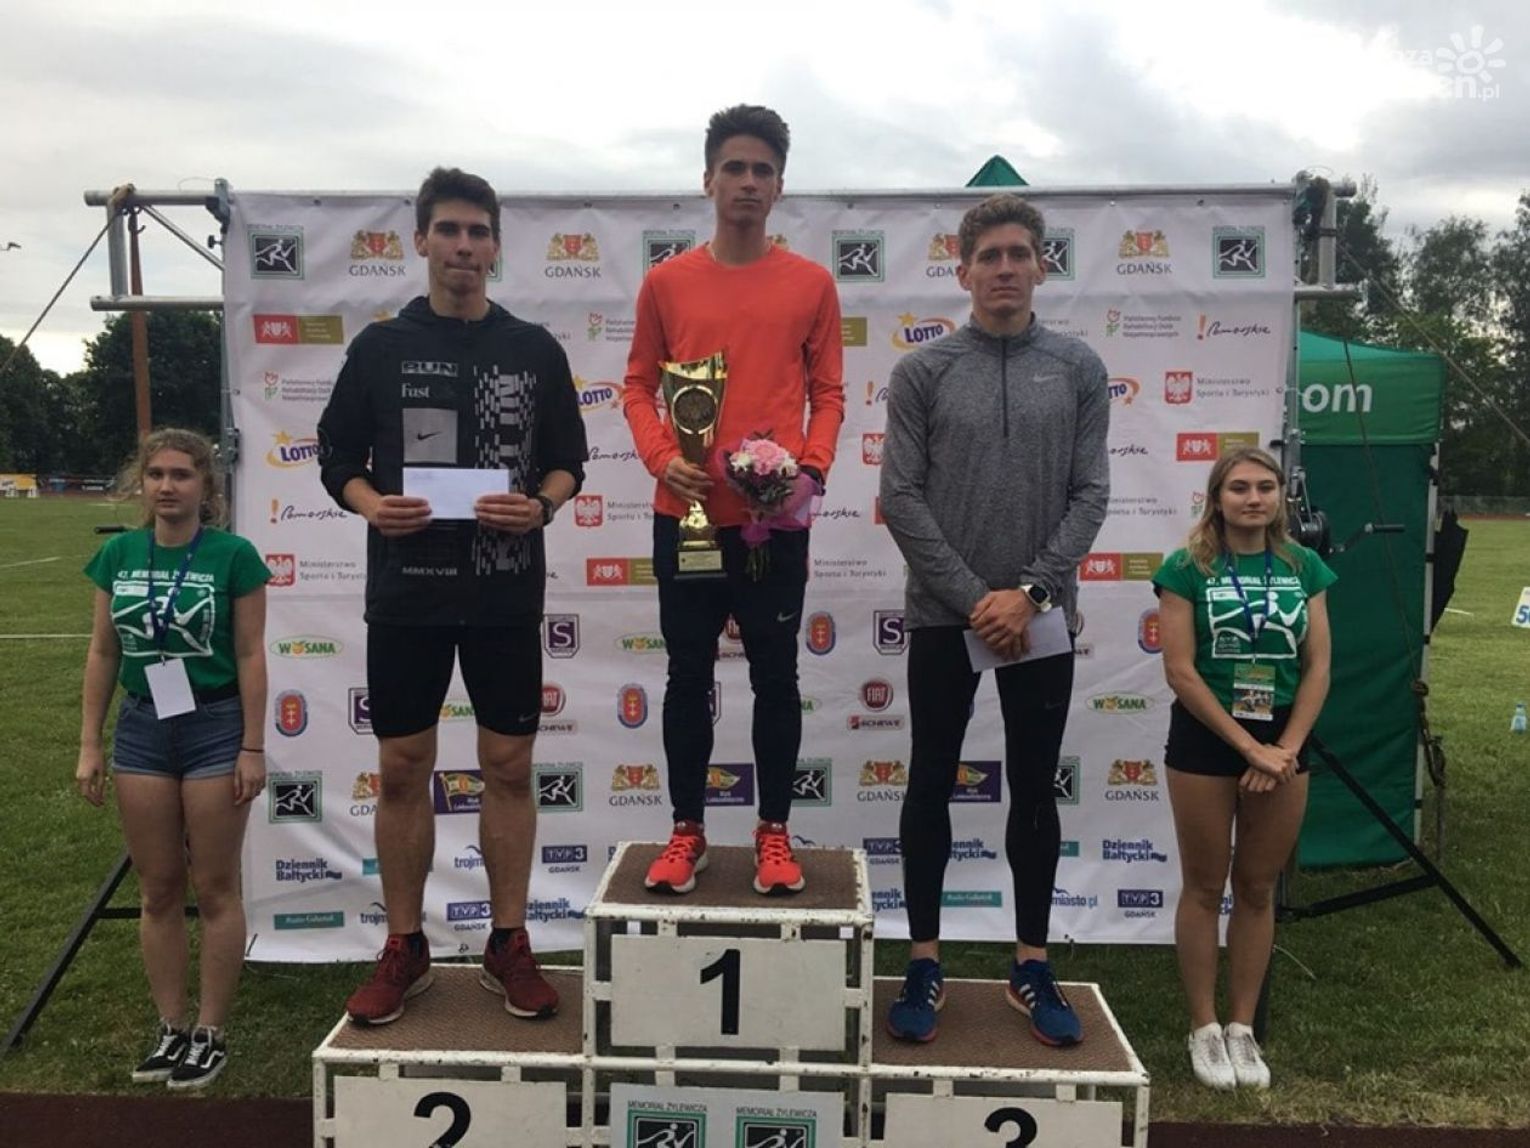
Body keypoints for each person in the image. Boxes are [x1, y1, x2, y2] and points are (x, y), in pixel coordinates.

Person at [318, 166, 588, 1025]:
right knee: (404, 768)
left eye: (478, 232)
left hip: (504, 594)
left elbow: (568, 462)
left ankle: (508, 940)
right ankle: (405, 944)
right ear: (421, 241)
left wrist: (540, 506)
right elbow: (336, 459)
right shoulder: (380, 348)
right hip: (409, 593)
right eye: (449, 230)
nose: (464, 246)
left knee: (508, 767)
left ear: (496, 246)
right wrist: (372, 505)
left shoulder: (534, 349)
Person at [879, 193, 1109, 1046]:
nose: (1005, 268)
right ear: (963, 270)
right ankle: (924, 961)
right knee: (929, 780)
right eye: (989, 256)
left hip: (1041, 619)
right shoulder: (923, 372)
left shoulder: (1078, 367)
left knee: (1035, 787)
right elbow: (900, 497)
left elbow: (1091, 493)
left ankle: (1031, 965)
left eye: (1019, 254)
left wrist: (1032, 595)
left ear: (1042, 265)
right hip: (946, 618)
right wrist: (979, 599)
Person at [622, 104, 844, 896]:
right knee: (687, 677)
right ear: (708, 179)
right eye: (735, 168)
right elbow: (638, 386)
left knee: (776, 678)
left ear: (779, 187)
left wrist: (809, 472)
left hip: (772, 523)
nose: (748, 182)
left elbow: (828, 393)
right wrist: (662, 459)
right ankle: (687, 831)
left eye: (762, 171)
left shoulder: (812, 283)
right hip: (684, 516)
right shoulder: (666, 283)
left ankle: (773, 834)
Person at [78, 428, 271, 1089]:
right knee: (158, 888)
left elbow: (250, 654)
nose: (167, 486)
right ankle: (171, 1026)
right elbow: (104, 651)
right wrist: (89, 742)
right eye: (156, 474)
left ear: (205, 486)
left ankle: (211, 1031)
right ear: (143, 483)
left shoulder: (233, 556)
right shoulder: (117, 555)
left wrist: (252, 745)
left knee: (214, 887)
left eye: (181, 475)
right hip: (142, 728)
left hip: (215, 726)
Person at [1152, 446, 1334, 1090]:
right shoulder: (1186, 567)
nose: (1254, 498)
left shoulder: (1303, 565)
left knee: (1257, 887)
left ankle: (1242, 1028)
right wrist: (1247, 749)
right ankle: (1203, 1028)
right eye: (1239, 488)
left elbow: (1318, 666)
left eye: (1265, 487)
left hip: (1283, 740)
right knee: (1205, 886)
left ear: (1281, 496)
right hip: (1207, 737)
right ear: (1217, 498)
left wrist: (1283, 748)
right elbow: (1180, 670)